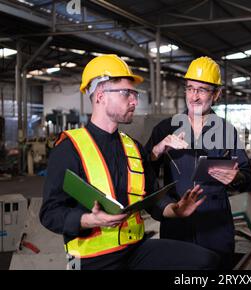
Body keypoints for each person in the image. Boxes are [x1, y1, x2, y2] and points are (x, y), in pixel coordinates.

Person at [39, 54, 219, 270]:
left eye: (135, 94)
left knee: (206, 262)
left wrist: (175, 210)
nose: (134, 101)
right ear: (100, 95)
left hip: (134, 250)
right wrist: (90, 220)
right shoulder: (69, 148)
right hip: (89, 259)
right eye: (126, 93)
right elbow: (50, 213)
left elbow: (152, 199)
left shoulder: (132, 147)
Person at [145, 56, 251, 269]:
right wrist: (156, 151)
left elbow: (247, 176)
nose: (194, 96)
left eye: (202, 90)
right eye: (190, 88)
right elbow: (144, 175)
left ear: (216, 94)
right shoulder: (165, 129)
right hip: (176, 223)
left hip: (216, 226)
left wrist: (237, 177)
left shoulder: (226, 131)